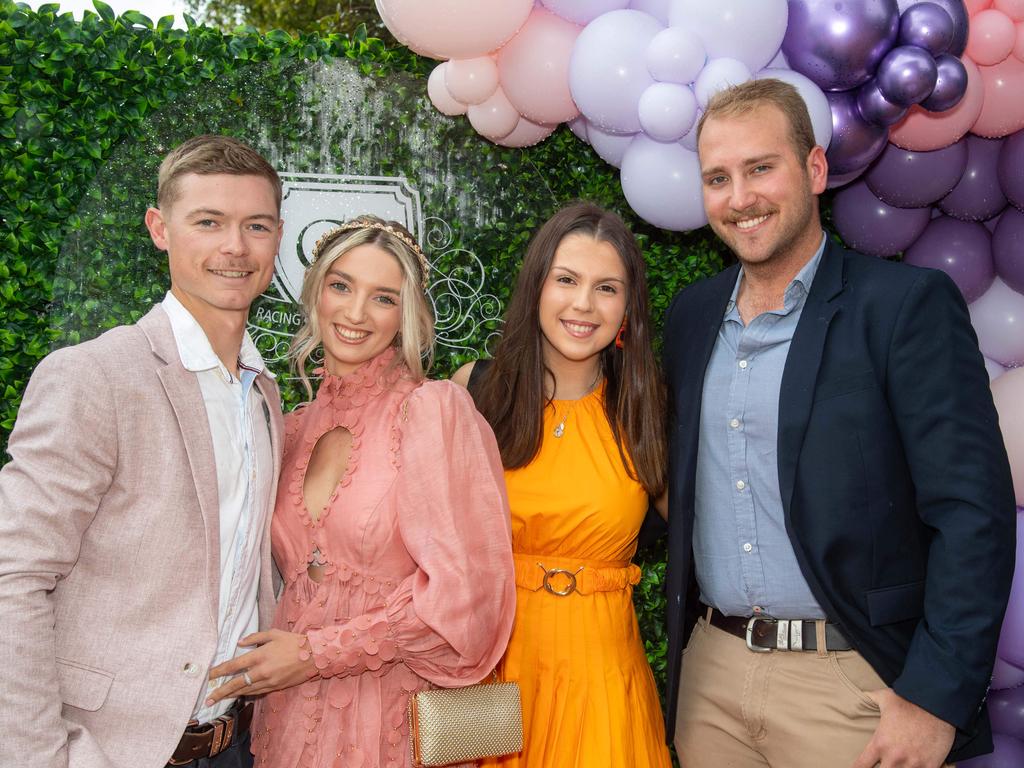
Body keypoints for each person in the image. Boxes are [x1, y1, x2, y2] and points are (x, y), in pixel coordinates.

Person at [661, 78, 1016, 768]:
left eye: (761, 167)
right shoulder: (691, 317)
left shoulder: (904, 307)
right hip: (711, 680)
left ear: (815, 169)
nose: (741, 198)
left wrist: (935, 698)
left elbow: (973, 513)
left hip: (852, 688)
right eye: (718, 178)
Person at [0, 134, 287, 767]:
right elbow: (13, 575)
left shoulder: (265, 393)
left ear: (277, 237)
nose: (234, 247)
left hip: (236, 744)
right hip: (111, 751)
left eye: (256, 225)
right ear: (160, 229)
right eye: (208, 222)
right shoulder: (95, 376)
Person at [201, 215, 516, 768]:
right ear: (315, 292)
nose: (354, 313)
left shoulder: (431, 412)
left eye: (382, 298)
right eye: (341, 285)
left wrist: (315, 653)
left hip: (395, 713)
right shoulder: (292, 427)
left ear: (408, 316)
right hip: (291, 710)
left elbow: (467, 600)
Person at [452, 201, 672, 767]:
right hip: (487, 679)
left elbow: (712, 536)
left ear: (628, 308)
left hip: (602, 683)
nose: (583, 304)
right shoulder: (474, 391)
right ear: (536, 288)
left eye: (607, 288)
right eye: (566, 280)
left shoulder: (649, 412)